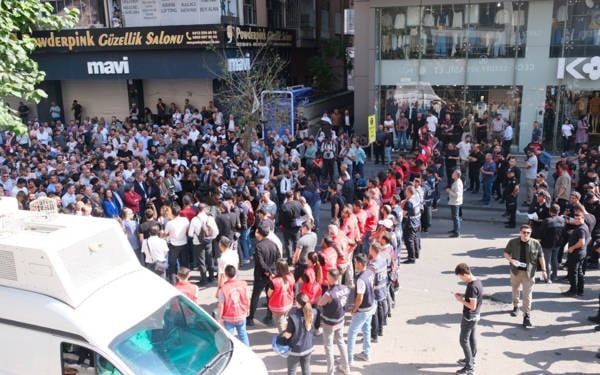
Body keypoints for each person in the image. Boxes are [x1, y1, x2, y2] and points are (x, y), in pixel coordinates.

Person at [503, 224, 547, 328]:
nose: (525, 234)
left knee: (527, 295)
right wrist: (511, 260)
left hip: (529, 273)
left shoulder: (535, 243)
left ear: (530, 233)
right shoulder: (513, 242)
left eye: (528, 233)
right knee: (515, 290)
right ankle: (516, 306)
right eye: (524, 232)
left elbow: (541, 257)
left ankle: (526, 316)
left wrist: (544, 270)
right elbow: (505, 253)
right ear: (520, 232)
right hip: (515, 271)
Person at [318, 268, 351, 375]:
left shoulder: (329, 294)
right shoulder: (345, 288)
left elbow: (320, 303)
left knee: (329, 348)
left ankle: (330, 372)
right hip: (340, 320)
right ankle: (346, 368)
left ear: (331, 279)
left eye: (327, 276)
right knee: (341, 343)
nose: (326, 278)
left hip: (329, 323)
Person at [453, 263, 483, 375]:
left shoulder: (472, 286)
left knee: (463, 340)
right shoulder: (477, 282)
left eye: (461, 277)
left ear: (465, 274)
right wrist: (463, 295)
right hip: (476, 316)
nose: (461, 279)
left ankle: (469, 367)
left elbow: (472, 305)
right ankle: (471, 359)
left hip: (470, 317)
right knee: (471, 338)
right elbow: (473, 298)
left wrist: (460, 300)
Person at [347, 253, 376, 366]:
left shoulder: (360, 279)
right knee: (366, 329)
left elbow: (359, 297)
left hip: (363, 309)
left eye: (355, 262)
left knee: (351, 334)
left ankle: (348, 359)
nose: (354, 264)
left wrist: (354, 309)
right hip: (371, 306)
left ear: (359, 263)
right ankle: (366, 353)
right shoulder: (370, 272)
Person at [247, 225, 280, 326]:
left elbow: (260, 263)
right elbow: (278, 258)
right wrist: (272, 272)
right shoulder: (274, 244)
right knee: (269, 295)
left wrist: (267, 271)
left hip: (261, 275)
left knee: (255, 296)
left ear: (259, 234)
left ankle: (251, 318)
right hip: (272, 274)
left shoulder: (259, 246)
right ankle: (269, 316)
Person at [281, 293, 319, 375]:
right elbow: (316, 327)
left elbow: (288, 335)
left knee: (292, 371)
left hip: (296, 349)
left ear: (297, 303)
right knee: (306, 368)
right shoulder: (315, 312)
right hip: (308, 346)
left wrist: (284, 331)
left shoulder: (293, 317)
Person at [217, 265, 250, 346]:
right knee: (243, 335)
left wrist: (220, 318)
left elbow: (221, 305)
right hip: (241, 314)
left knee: (229, 337)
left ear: (225, 275)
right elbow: (247, 299)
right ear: (235, 273)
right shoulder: (243, 284)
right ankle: (247, 351)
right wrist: (247, 309)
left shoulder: (224, 288)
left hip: (229, 317)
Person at [563, 212, 589, 297]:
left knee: (573, 272)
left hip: (576, 253)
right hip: (581, 252)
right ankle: (580, 290)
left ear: (583, 219)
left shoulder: (581, 229)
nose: (577, 220)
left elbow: (582, 242)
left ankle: (573, 291)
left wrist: (572, 248)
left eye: (579, 219)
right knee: (579, 271)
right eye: (576, 219)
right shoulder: (582, 227)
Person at [267, 259, 296, 333]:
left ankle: (283, 337)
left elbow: (269, 294)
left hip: (278, 306)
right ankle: (287, 330)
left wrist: (273, 279)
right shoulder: (291, 276)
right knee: (284, 318)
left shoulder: (274, 282)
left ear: (277, 269)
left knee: (279, 322)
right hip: (288, 303)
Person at [539, 204, 565, 282]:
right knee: (555, 259)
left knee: (547, 261)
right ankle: (555, 276)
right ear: (558, 211)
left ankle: (547, 278)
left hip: (547, 244)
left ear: (550, 212)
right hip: (557, 243)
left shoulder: (547, 221)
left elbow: (541, 233)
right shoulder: (562, 220)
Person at [447, 169, 463, 237]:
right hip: (455, 201)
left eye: (453, 173)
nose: (452, 174)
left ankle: (457, 232)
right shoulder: (456, 181)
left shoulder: (457, 183)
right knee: (454, 217)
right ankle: (455, 229)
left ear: (456, 175)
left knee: (456, 217)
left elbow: (457, 195)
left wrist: (449, 191)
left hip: (455, 202)